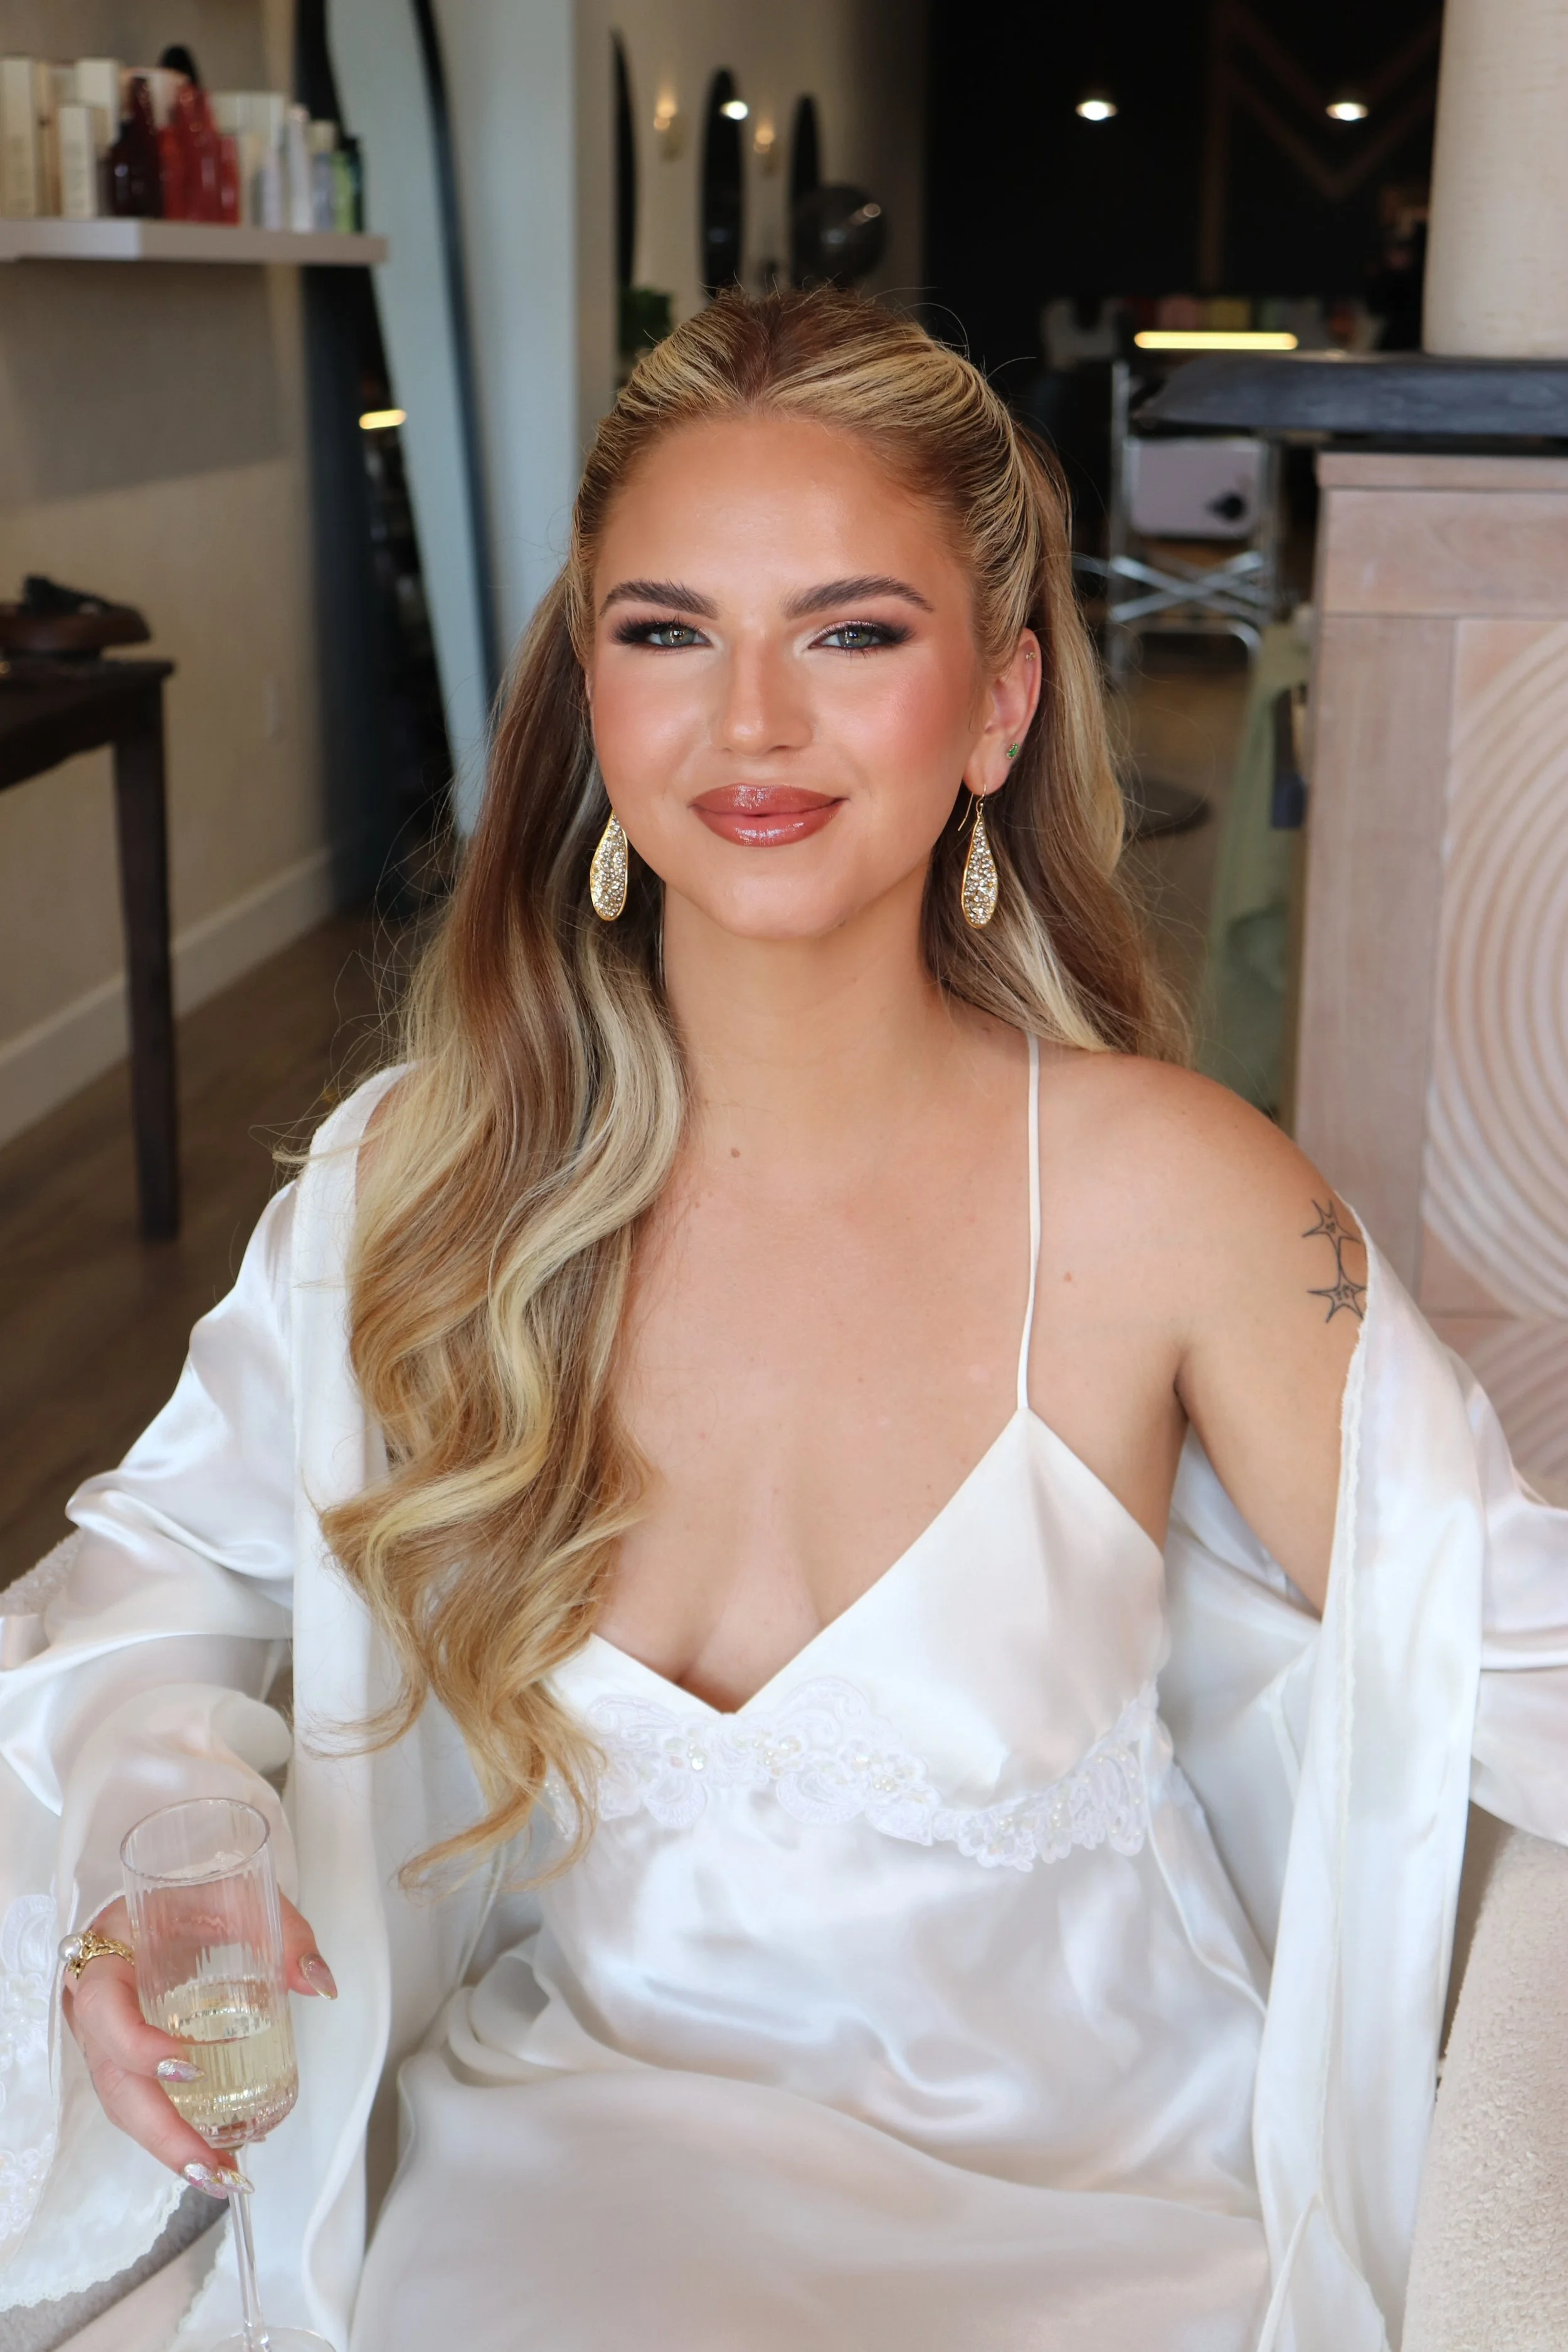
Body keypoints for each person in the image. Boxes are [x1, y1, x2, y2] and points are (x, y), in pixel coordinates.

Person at [0, 289, 1563, 2352]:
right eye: (667, 633)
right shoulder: (430, 1186)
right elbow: (144, 1592)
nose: (750, 725)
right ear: (591, 693)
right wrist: (155, 1837)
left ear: (997, 706)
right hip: (567, 2156)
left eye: (848, 634)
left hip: (1084, 2210)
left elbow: (1516, 1646)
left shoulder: (1174, 1201)